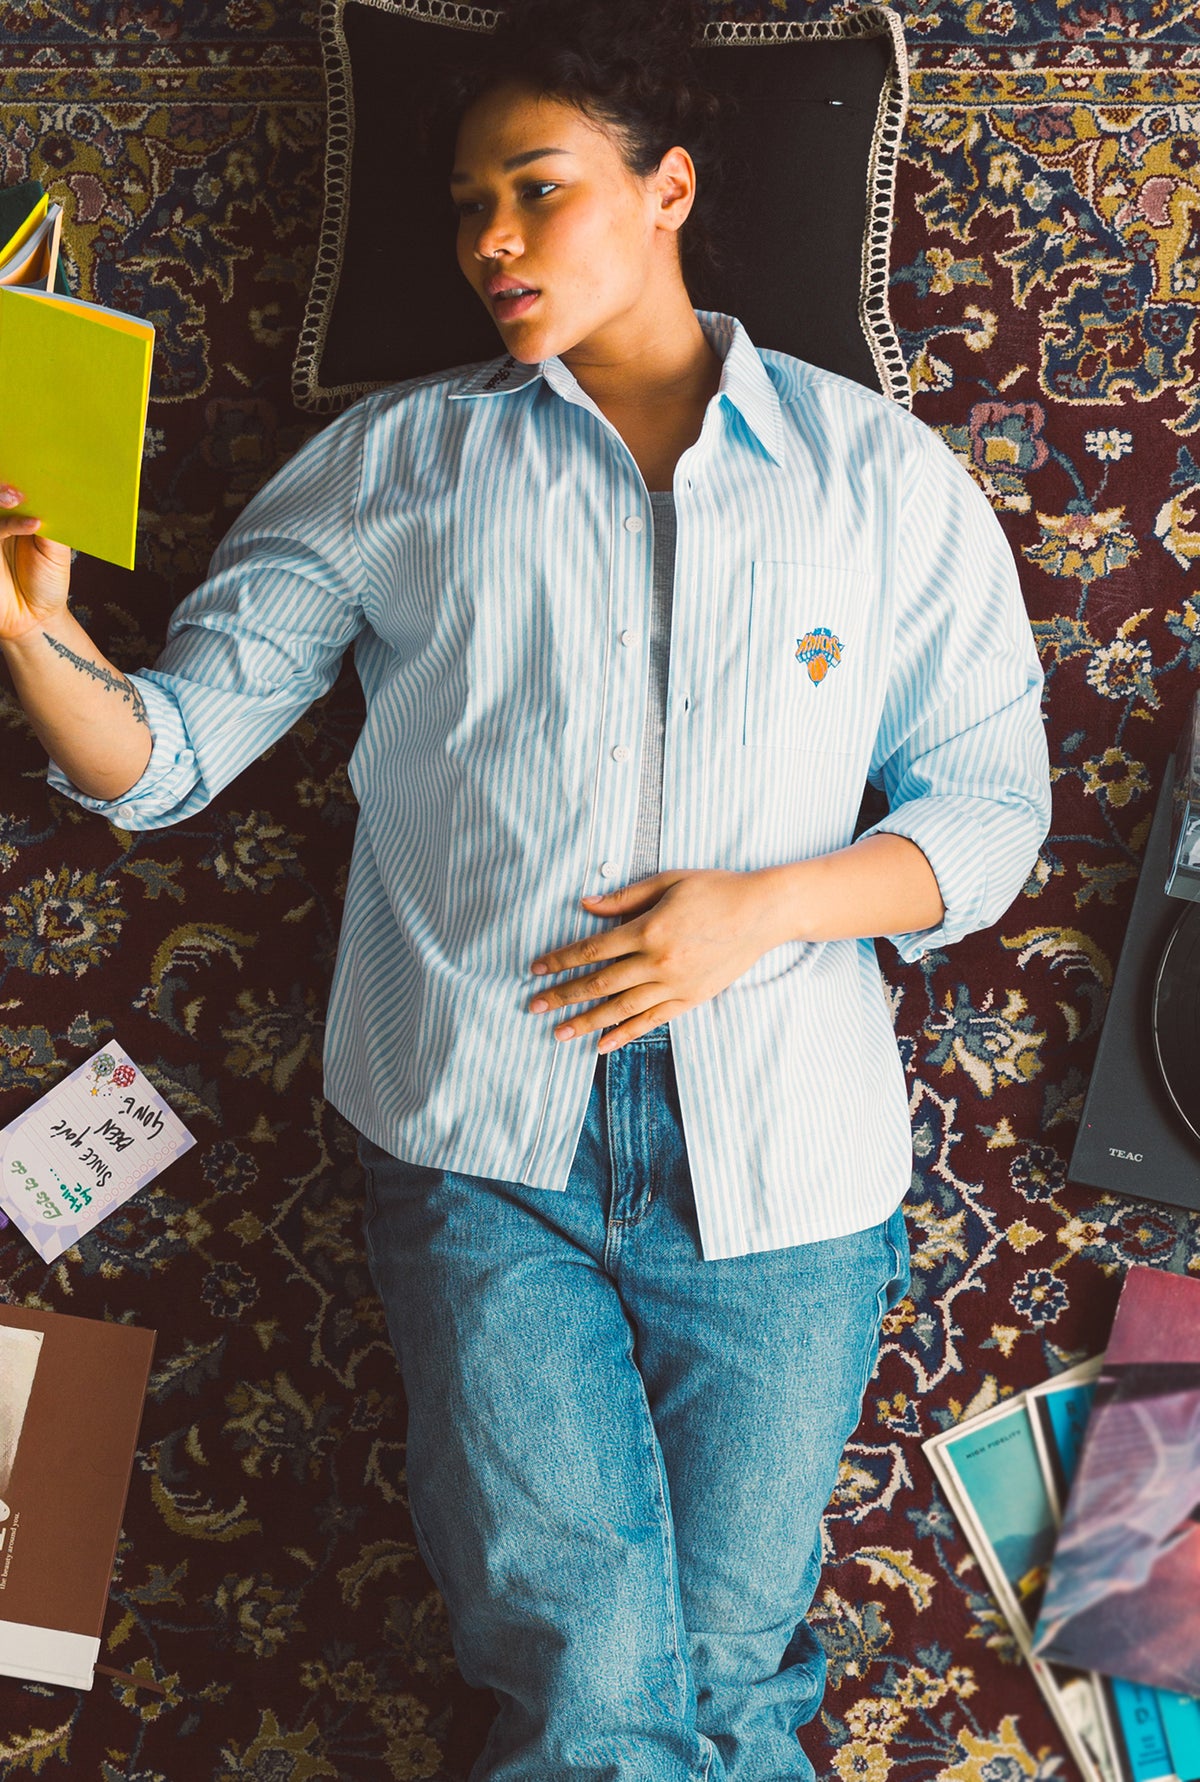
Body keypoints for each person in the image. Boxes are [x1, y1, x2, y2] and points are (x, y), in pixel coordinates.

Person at [0, 2, 1051, 1775]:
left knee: (732, 1677)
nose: (489, 238)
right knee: (588, 1679)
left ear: (670, 189)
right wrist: (31, 635)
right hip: (483, 1145)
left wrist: (761, 907)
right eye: (466, 205)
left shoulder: (880, 476)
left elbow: (995, 807)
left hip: (787, 1166)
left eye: (537, 188)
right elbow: (163, 760)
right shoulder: (392, 463)